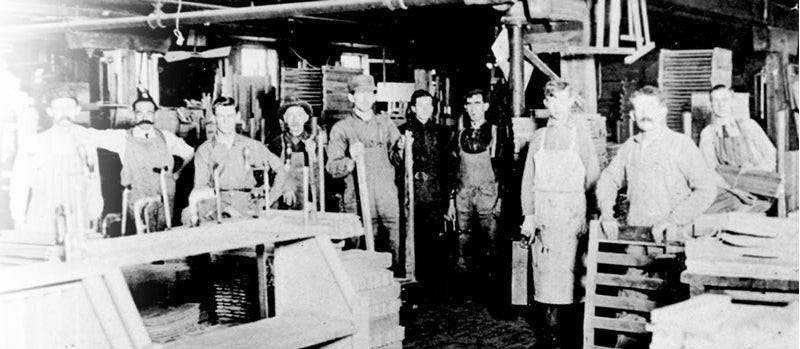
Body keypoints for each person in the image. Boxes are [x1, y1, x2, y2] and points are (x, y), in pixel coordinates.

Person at [596, 86, 717, 347]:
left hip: (671, 249)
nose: (644, 115)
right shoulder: (631, 146)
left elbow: (707, 188)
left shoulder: (680, 145)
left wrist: (674, 219)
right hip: (636, 250)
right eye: (638, 109)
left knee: (669, 320)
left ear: (663, 111)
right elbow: (608, 179)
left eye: (650, 108)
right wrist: (606, 213)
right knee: (629, 313)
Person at [519, 80, 600, 348]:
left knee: (572, 280)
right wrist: (528, 215)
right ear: (546, 103)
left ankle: (571, 338)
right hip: (544, 217)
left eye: (563, 100)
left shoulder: (581, 134)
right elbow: (527, 179)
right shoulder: (538, 138)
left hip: (572, 216)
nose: (558, 106)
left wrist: (590, 217)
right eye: (553, 100)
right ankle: (549, 337)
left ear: (571, 102)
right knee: (545, 280)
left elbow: (593, 177)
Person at [326, 75, 405, 272]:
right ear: (351, 98)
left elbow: (397, 159)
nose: (365, 99)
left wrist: (402, 148)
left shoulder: (386, 124)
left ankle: (393, 294)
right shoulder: (341, 128)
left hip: (387, 198)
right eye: (360, 95)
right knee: (360, 252)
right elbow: (331, 167)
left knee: (393, 245)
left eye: (369, 94)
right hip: (358, 199)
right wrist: (350, 160)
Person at [85, 95, 194, 235]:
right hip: (137, 203)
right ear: (133, 115)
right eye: (139, 113)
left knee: (165, 242)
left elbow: (189, 153)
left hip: (164, 202)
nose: (145, 117)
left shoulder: (166, 137)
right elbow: (92, 136)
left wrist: (176, 174)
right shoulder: (122, 138)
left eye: (149, 112)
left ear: (155, 114)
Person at [10, 96, 104, 239]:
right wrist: (18, 218)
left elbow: (94, 183)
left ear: (77, 110)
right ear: (50, 112)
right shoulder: (34, 144)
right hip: (42, 220)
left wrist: (95, 215)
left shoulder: (86, 143)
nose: (64, 112)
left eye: (69, 108)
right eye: (59, 108)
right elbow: (19, 184)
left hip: (77, 219)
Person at [184, 97, 289, 225]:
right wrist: (225, 209)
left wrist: (270, 199)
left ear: (237, 116)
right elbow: (200, 189)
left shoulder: (252, 146)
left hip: (248, 206)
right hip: (216, 206)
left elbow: (280, 170)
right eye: (221, 116)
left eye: (230, 116)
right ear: (214, 118)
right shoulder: (204, 150)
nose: (225, 121)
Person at [445, 89, 511, 291]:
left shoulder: (496, 133)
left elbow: (505, 170)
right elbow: (452, 171)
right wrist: (450, 202)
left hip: (488, 198)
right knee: (464, 243)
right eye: (469, 104)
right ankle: (468, 292)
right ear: (465, 108)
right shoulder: (459, 136)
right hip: (463, 198)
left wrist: (500, 200)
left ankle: (491, 292)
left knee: (490, 245)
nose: (473, 109)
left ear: (485, 106)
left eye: (477, 103)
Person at [398, 89, 453, 282]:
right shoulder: (402, 131)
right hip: (411, 195)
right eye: (420, 105)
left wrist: (449, 200)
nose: (424, 109)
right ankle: (413, 278)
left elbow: (448, 168)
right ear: (412, 108)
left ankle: (432, 284)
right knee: (412, 237)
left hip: (435, 196)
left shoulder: (442, 133)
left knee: (434, 240)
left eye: (428, 105)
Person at [699, 85, 776, 172]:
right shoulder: (708, 133)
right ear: (711, 105)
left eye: (725, 100)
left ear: (732, 102)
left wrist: (756, 170)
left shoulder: (749, 125)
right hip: (725, 182)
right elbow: (709, 167)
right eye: (716, 100)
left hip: (756, 178)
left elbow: (771, 154)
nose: (721, 105)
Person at [268, 96, 318, 211]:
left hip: (308, 196)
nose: (295, 120)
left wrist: (313, 154)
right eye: (290, 116)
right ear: (284, 119)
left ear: (306, 118)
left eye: (299, 115)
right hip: (282, 196)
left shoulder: (315, 142)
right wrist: (286, 186)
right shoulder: (277, 143)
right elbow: (272, 171)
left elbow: (321, 175)